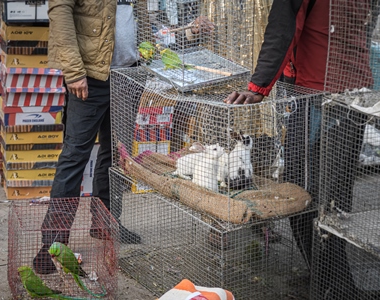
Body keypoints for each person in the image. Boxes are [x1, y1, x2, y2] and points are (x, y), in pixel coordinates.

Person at [33, 0, 214, 275]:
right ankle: (53, 243)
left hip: (127, 75)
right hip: (89, 76)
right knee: (74, 158)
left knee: (115, 154)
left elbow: (141, 22)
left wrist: (182, 35)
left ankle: (106, 223)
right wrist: (73, 70)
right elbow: (60, 13)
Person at [224, 0, 378, 298]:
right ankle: (334, 283)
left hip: (317, 91)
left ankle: (333, 286)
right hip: (354, 90)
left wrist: (258, 87)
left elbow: (283, 26)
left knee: (303, 196)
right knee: (333, 198)